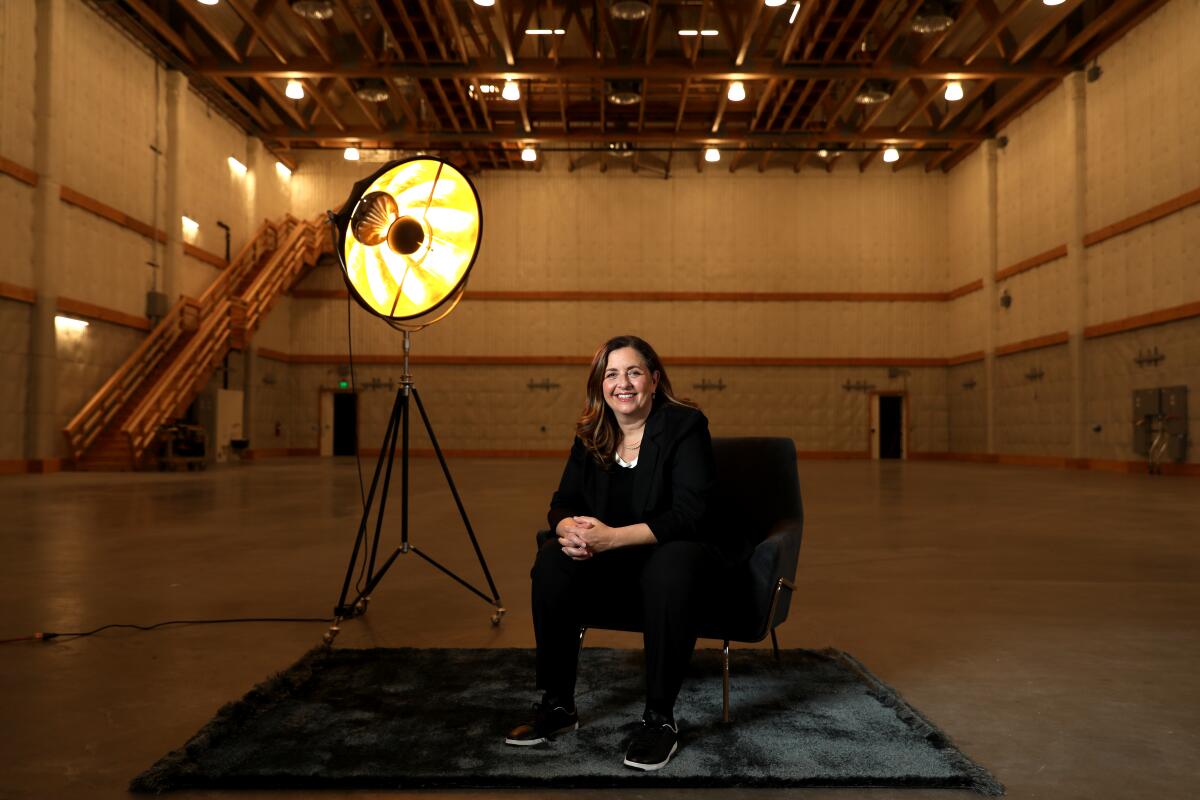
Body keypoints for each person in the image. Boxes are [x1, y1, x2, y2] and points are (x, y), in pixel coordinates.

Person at [504, 334, 723, 771]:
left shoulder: (685, 426)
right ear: (600, 385)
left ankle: (660, 720)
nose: (623, 383)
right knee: (552, 557)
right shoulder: (592, 433)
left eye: (634, 372)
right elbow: (561, 502)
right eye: (612, 374)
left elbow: (689, 515)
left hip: (677, 556)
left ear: (654, 380)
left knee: (671, 565)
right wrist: (570, 530)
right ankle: (559, 706)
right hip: (613, 563)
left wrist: (610, 538)